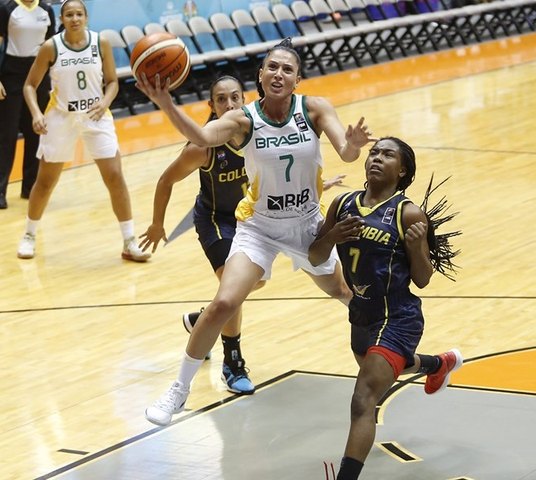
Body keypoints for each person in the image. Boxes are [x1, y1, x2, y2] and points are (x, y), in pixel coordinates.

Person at [137, 38, 373, 426]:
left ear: (297, 79)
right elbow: (202, 137)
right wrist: (166, 104)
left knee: (345, 294)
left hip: (307, 227)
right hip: (259, 228)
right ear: (260, 76)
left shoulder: (313, 109)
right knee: (223, 304)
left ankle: (380, 367)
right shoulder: (241, 120)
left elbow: (346, 153)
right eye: (272, 68)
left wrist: (354, 145)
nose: (279, 74)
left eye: (287, 69)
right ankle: (178, 391)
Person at [309, 137, 462, 480]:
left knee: (363, 398)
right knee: (381, 370)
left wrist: (418, 246)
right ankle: (439, 363)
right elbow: (315, 257)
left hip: (398, 317)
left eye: (387, 154)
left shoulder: (407, 213)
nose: (376, 158)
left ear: (402, 169)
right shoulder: (342, 203)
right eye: (374, 152)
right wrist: (331, 236)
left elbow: (422, 280)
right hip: (362, 314)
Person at [16, 0, 149, 262]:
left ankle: (129, 240)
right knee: (45, 181)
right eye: (69, 14)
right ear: (62, 18)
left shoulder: (101, 43)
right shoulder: (50, 47)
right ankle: (29, 235)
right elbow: (30, 86)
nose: (74, 18)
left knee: (115, 176)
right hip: (61, 117)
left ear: (86, 17)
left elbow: (112, 82)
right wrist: (36, 113)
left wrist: (105, 101)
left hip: (95, 115)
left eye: (79, 14)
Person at [0, 0, 55, 209]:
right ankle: (0, 191)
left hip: (39, 73)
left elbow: (50, 47)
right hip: (11, 74)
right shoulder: (6, 8)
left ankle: (30, 188)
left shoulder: (47, 10)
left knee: (36, 130)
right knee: (7, 134)